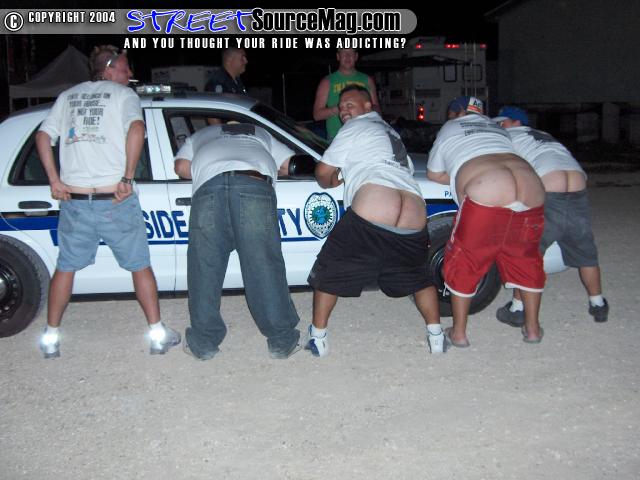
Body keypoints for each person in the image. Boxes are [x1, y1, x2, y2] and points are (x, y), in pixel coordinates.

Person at [36, 45, 181, 358]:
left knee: (65, 267)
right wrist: (127, 178)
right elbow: (137, 129)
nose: (130, 74)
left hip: (75, 201)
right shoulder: (123, 95)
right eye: (126, 69)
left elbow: (43, 136)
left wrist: (55, 181)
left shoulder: (67, 97)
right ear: (110, 69)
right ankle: (157, 335)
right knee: (139, 265)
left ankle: (50, 337)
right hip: (114, 199)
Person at [306, 85, 443, 357]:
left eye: (350, 104)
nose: (344, 111)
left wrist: (332, 181)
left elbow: (322, 172)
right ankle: (437, 337)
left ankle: (318, 338)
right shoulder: (390, 132)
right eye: (341, 107)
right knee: (418, 277)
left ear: (368, 106)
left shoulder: (355, 127)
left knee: (329, 272)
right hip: (414, 213)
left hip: (375, 206)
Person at [174, 122, 301, 360]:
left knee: (204, 266)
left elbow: (181, 167)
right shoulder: (261, 133)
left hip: (209, 186)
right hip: (253, 182)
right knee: (263, 264)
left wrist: (211, 169)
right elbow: (288, 164)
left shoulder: (200, 135)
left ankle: (203, 342)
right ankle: (281, 340)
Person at [427, 96, 547, 347]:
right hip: (530, 186)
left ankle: (459, 333)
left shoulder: (451, 126)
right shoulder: (496, 127)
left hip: (489, 187)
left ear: (456, 113)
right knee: (526, 259)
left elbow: (434, 173)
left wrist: (461, 176)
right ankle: (533, 329)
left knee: (464, 260)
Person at [492, 106, 609, 324]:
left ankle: (517, 308)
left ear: (517, 122)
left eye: (502, 122)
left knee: (526, 254)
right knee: (585, 252)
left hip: (550, 187)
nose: (499, 126)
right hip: (577, 185)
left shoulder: (507, 137)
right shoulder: (544, 135)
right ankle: (598, 304)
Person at [312, 48, 380, 141]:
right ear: (338, 56)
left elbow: (377, 109)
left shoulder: (367, 80)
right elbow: (317, 115)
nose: (347, 57)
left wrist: (363, 108)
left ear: (356, 56)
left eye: (350, 53)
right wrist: (339, 109)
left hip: (364, 135)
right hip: (336, 137)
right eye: (344, 53)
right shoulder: (327, 82)